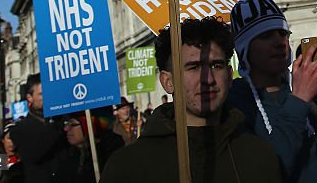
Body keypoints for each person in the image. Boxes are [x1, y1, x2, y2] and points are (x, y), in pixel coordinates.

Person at [99, 16, 282, 182]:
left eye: (216, 65)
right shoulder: (127, 168)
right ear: (167, 81)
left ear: (229, 75)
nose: (207, 80)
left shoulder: (259, 155)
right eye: (193, 67)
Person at [227, 0, 317, 181]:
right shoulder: (234, 104)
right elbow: (266, 173)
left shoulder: (301, 93)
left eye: (283, 33)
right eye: (266, 35)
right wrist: (299, 100)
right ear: (245, 48)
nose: (279, 42)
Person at [11, 73, 68, 183]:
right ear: (30, 98)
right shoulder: (19, 129)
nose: (47, 97)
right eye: (42, 94)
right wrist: (55, 125)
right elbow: (33, 154)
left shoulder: (63, 120)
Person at [57, 110, 123, 183]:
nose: (65, 129)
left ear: (88, 126)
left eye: (72, 124)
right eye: (66, 124)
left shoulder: (109, 154)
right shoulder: (66, 155)